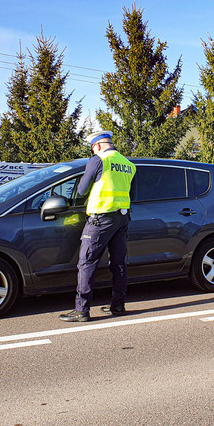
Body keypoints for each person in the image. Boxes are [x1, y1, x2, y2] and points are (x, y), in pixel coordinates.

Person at [60, 130, 135, 322]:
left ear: (98, 146)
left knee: (87, 263)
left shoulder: (98, 160)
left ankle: (82, 310)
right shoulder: (128, 164)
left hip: (100, 219)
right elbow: (132, 196)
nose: (92, 152)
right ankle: (118, 306)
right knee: (118, 263)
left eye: (93, 148)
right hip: (122, 218)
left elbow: (82, 189)